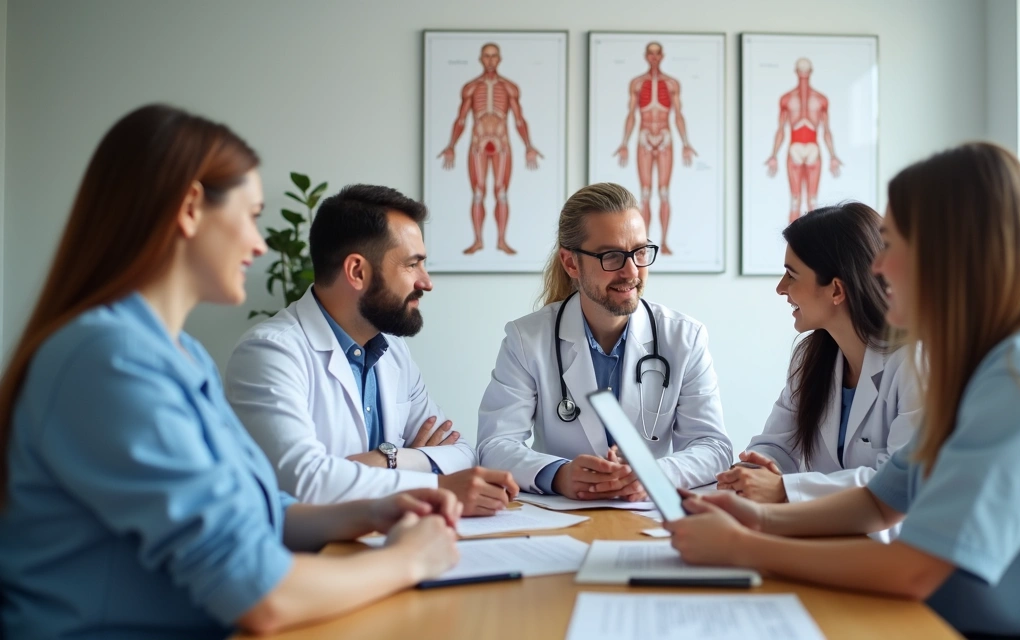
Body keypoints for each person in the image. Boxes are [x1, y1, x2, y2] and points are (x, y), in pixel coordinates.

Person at [666, 142, 1020, 639]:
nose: (877, 267)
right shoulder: (983, 363)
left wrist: (744, 548)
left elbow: (915, 568)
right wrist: (758, 519)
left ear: (952, 253)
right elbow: (880, 501)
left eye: (891, 244)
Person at [0, 105, 460, 639]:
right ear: (192, 208)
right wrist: (409, 560)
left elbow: (257, 508)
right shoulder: (109, 360)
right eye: (251, 215)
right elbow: (257, 592)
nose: (259, 244)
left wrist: (376, 510)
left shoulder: (182, 354)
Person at [226, 184, 518, 515]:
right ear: (357, 272)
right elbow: (306, 482)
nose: (426, 282)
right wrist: (436, 486)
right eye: (412, 265)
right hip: (314, 557)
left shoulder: (392, 350)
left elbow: (462, 452)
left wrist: (387, 458)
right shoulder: (269, 353)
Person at [477, 182, 732, 499]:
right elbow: (495, 445)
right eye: (612, 256)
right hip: (563, 514)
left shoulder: (685, 338)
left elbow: (713, 446)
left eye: (639, 252)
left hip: (649, 513)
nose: (631, 271)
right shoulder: (527, 339)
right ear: (571, 263)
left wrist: (652, 475)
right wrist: (559, 475)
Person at [716, 203, 919, 521]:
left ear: (836, 289)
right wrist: (748, 474)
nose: (781, 288)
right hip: (824, 536)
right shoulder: (812, 358)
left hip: (893, 549)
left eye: (791, 275)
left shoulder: (915, 364)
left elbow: (899, 487)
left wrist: (785, 489)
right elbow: (777, 445)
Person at [439, 42, 543, 256]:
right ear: (480, 59)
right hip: (478, 142)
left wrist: (528, 146)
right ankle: (478, 240)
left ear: (499, 59)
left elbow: (519, 119)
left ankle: (501, 241)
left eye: (494, 56)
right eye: (486, 56)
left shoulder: (509, 87)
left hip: (501, 143)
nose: (490, 60)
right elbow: (460, 119)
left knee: (501, 192)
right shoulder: (470, 87)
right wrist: (451, 146)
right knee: (478, 193)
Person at [613, 42, 695, 256]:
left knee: (664, 192)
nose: (654, 57)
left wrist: (686, 143)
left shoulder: (672, 84)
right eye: (651, 53)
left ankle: (665, 241)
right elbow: (631, 115)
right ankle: (644, 243)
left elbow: (678, 115)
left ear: (662, 56)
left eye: (658, 54)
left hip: (666, 136)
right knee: (646, 193)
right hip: (644, 136)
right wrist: (624, 143)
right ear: (646, 56)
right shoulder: (637, 84)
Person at [765, 57, 843, 223]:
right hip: (808, 148)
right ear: (811, 72)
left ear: (796, 72)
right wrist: (773, 155)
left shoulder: (791, 99)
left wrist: (833, 156)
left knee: (803, 202)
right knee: (804, 202)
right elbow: (782, 130)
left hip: (798, 148)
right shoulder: (815, 99)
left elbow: (826, 131)